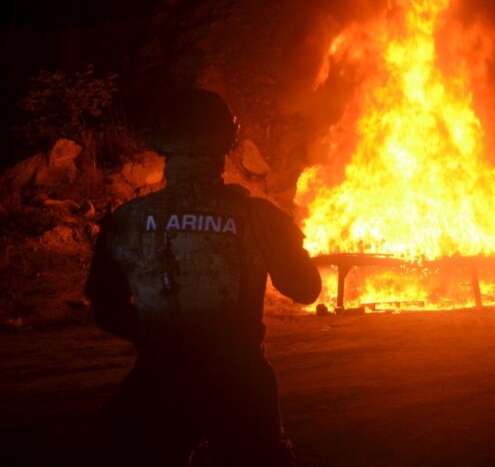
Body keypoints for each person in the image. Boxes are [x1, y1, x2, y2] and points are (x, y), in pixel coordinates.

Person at [85, 87, 321, 466]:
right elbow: (306, 289)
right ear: (227, 141)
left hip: (158, 382)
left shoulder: (127, 220)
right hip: (239, 385)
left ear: (161, 143)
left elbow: (105, 306)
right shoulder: (257, 217)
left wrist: (159, 335)